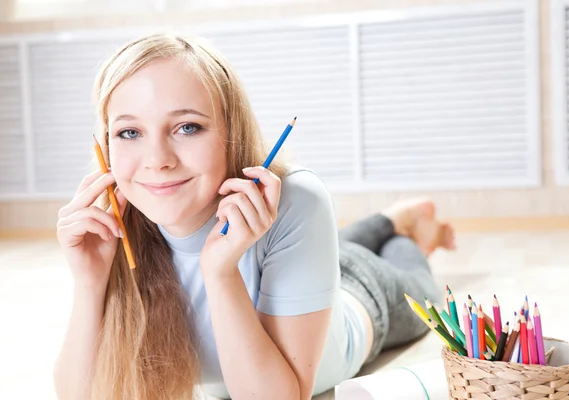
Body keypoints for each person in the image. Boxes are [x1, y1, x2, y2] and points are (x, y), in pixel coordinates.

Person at [53, 33, 456, 400]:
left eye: (188, 127)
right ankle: (391, 216)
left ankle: (409, 230)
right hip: (301, 261)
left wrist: (221, 273)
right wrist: (90, 283)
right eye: (129, 132)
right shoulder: (115, 228)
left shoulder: (296, 200)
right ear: (106, 143)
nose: (157, 161)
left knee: (418, 285)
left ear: (233, 133)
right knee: (330, 248)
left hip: (361, 296)